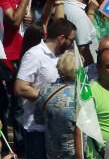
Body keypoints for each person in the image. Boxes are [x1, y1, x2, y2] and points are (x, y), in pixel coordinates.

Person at [15, 18, 76, 159]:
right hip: (37, 129)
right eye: (71, 40)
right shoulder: (35, 54)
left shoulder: (64, 56)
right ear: (61, 38)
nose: (73, 44)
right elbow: (20, 87)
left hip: (59, 130)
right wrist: (51, 98)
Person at [34, 48, 83, 159]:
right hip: (76, 152)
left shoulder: (45, 91)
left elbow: (39, 119)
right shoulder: (81, 94)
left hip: (52, 151)